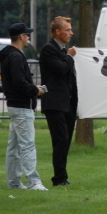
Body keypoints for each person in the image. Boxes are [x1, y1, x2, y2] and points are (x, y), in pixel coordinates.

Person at [0, 22, 48, 191]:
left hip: (14, 105)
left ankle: (14, 181)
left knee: (14, 147)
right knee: (27, 145)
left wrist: (33, 88)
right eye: (27, 35)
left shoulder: (8, 55)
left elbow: (16, 81)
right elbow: (19, 82)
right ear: (21, 36)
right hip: (22, 106)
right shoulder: (17, 56)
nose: (29, 37)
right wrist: (34, 90)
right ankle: (33, 180)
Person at [39, 16, 78, 187]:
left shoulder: (62, 51)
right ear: (57, 32)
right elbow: (61, 70)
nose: (71, 32)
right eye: (68, 29)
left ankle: (62, 176)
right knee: (61, 139)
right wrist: (69, 57)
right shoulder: (49, 49)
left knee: (66, 140)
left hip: (67, 104)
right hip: (54, 103)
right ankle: (59, 178)